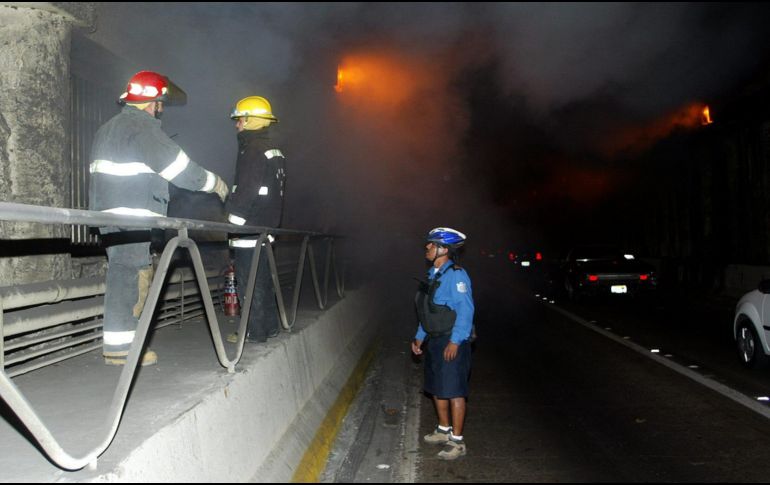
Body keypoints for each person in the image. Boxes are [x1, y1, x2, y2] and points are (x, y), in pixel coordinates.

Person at [89, 70, 229, 366]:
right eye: (160, 103)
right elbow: (181, 170)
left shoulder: (107, 128)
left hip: (110, 217)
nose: (161, 108)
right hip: (133, 218)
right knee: (134, 278)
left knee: (121, 276)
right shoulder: (143, 128)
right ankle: (124, 351)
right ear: (154, 102)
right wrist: (213, 183)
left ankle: (118, 346)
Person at [225, 96, 286, 343]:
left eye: (239, 120)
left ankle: (253, 331)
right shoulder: (273, 149)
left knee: (249, 283)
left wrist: (232, 225)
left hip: (249, 227)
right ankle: (269, 326)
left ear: (249, 120)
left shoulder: (252, 150)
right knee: (262, 281)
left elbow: (247, 190)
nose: (236, 125)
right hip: (266, 226)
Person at [411, 227, 475, 460]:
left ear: (444, 249)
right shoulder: (433, 275)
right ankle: (443, 429)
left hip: (451, 339)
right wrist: (420, 336)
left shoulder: (456, 275)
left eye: (431, 244)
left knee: (455, 390)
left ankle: (457, 442)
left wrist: (456, 341)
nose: (426, 248)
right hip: (435, 340)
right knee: (437, 387)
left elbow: (465, 311)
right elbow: (428, 311)